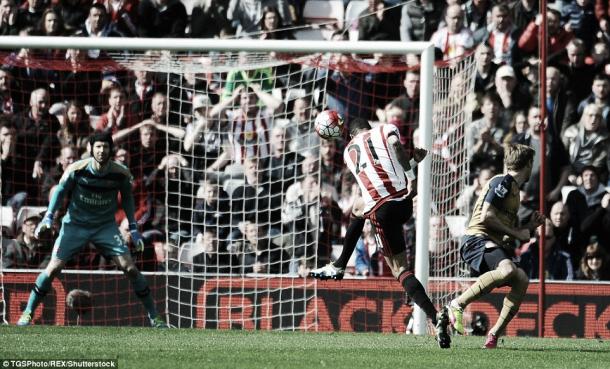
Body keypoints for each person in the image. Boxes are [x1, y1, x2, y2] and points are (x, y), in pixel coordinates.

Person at [310, 118, 451, 349]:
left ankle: (435, 317)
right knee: (358, 208)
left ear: (350, 132)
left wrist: (412, 177)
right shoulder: (386, 129)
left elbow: (376, 177)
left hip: (381, 210)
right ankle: (340, 265)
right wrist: (414, 164)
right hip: (404, 203)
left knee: (399, 270)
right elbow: (394, 155)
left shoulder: (348, 152)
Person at [16, 131, 167, 328]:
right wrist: (48, 217)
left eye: (105, 146)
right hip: (75, 225)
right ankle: (27, 312)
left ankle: (154, 317)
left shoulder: (120, 172)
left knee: (129, 267)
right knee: (53, 268)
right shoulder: (77, 169)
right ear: (90, 149)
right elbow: (60, 190)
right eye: (98, 146)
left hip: (105, 227)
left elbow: (128, 198)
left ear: (110, 149)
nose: (102, 150)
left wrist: (133, 228)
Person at [446, 143, 545, 348]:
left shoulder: (515, 191)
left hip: (489, 242)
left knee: (521, 279)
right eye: (532, 163)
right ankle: (457, 304)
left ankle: (493, 336)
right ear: (528, 164)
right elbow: (487, 216)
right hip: (475, 240)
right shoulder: (503, 182)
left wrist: (529, 226)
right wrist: (518, 232)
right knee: (508, 269)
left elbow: (502, 231)